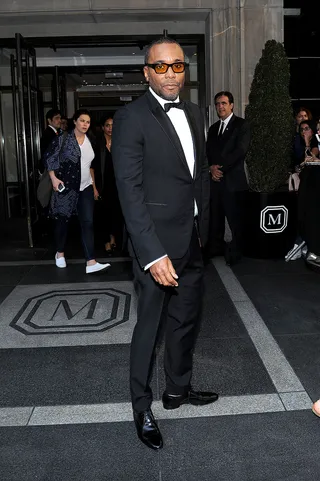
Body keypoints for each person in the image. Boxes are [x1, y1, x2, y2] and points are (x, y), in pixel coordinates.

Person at [112, 37, 218, 451]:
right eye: (161, 67)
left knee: (186, 320)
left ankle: (178, 389)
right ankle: (142, 406)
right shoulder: (130, 117)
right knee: (149, 328)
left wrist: (205, 231)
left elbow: (200, 173)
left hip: (192, 239)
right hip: (155, 245)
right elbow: (128, 190)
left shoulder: (194, 112)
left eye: (178, 65)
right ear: (146, 72)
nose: (171, 73)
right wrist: (152, 252)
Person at [43, 109, 110, 274]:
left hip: (85, 187)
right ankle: (59, 253)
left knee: (87, 223)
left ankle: (91, 261)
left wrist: (93, 186)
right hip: (67, 187)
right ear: (75, 122)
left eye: (88, 122)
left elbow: (90, 166)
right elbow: (50, 157)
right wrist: (53, 178)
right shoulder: (64, 139)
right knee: (63, 221)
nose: (85, 124)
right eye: (82, 121)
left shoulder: (91, 140)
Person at [206, 91, 251, 265]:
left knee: (235, 220)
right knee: (215, 218)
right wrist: (211, 168)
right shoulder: (213, 128)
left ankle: (236, 252)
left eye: (224, 103)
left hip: (233, 182)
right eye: (217, 104)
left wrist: (220, 169)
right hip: (215, 183)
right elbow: (208, 152)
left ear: (231, 105)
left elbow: (240, 151)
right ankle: (216, 248)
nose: (220, 107)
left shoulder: (242, 125)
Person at [91, 115, 123, 255]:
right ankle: (106, 242)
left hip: (118, 186)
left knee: (117, 214)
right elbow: (91, 168)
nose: (110, 128)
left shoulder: (120, 144)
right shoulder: (97, 144)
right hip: (102, 186)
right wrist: (94, 188)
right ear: (103, 128)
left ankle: (113, 238)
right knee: (103, 215)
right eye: (107, 125)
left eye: (112, 125)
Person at [296, 120, 320, 265]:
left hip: (313, 186)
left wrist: (307, 144)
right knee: (304, 214)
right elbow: (301, 162)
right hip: (305, 184)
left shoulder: (315, 145)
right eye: (302, 129)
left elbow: (310, 157)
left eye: (307, 129)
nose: (304, 131)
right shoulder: (297, 144)